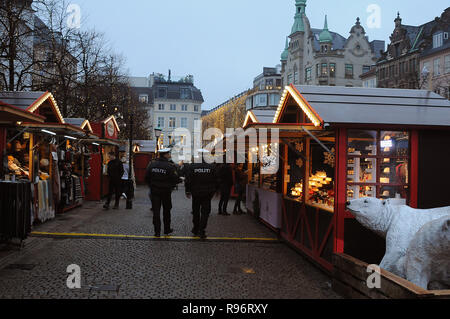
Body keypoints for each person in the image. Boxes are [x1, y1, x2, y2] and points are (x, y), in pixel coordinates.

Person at [145, 148, 180, 237]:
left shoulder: (152, 165)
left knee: (156, 212)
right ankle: (167, 229)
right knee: (166, 211)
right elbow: (175, 179)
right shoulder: (169, 166)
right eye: (169, 154)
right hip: (166, 192)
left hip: (155, 191)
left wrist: (152, 186)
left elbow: (146, 177)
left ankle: (157, 232)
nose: (170, 155)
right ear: (165, 155)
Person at [185, 150, 219, 239]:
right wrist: (216, 191)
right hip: (207, 193)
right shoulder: (212, 166)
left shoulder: (192, 166)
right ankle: (201, 230)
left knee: (195, 211)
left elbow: (188, 179)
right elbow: (216, 180)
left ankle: (195, 228)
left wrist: (188, 191)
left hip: (196, 192)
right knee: (205, 212)